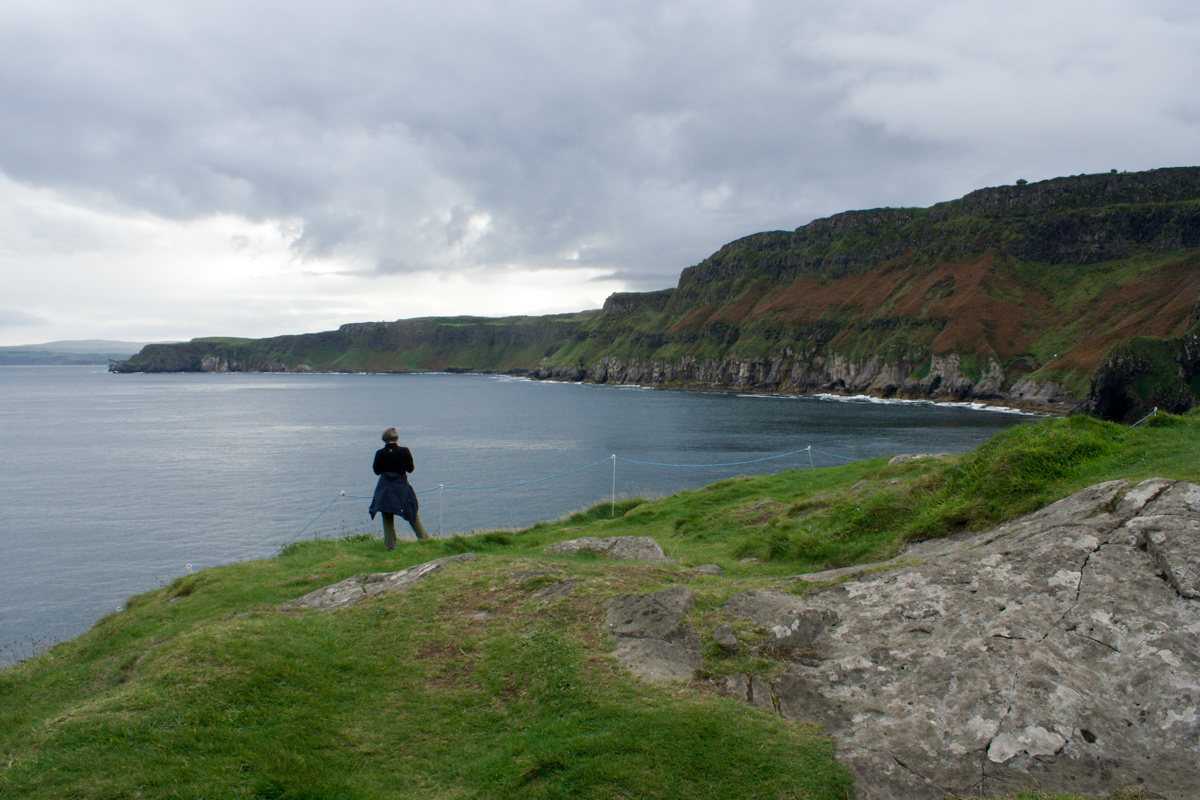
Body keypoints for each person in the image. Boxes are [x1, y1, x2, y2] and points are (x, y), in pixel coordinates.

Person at [368, 427, 429, 549]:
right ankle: (425, 541)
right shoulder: (405, 451)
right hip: (401, 487)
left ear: (384, 439)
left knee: (387, 516)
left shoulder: (380, 453)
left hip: (385, 488)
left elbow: (377, 471)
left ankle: (390, 547)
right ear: (397, 438)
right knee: (412, 512)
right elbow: (410, 469)